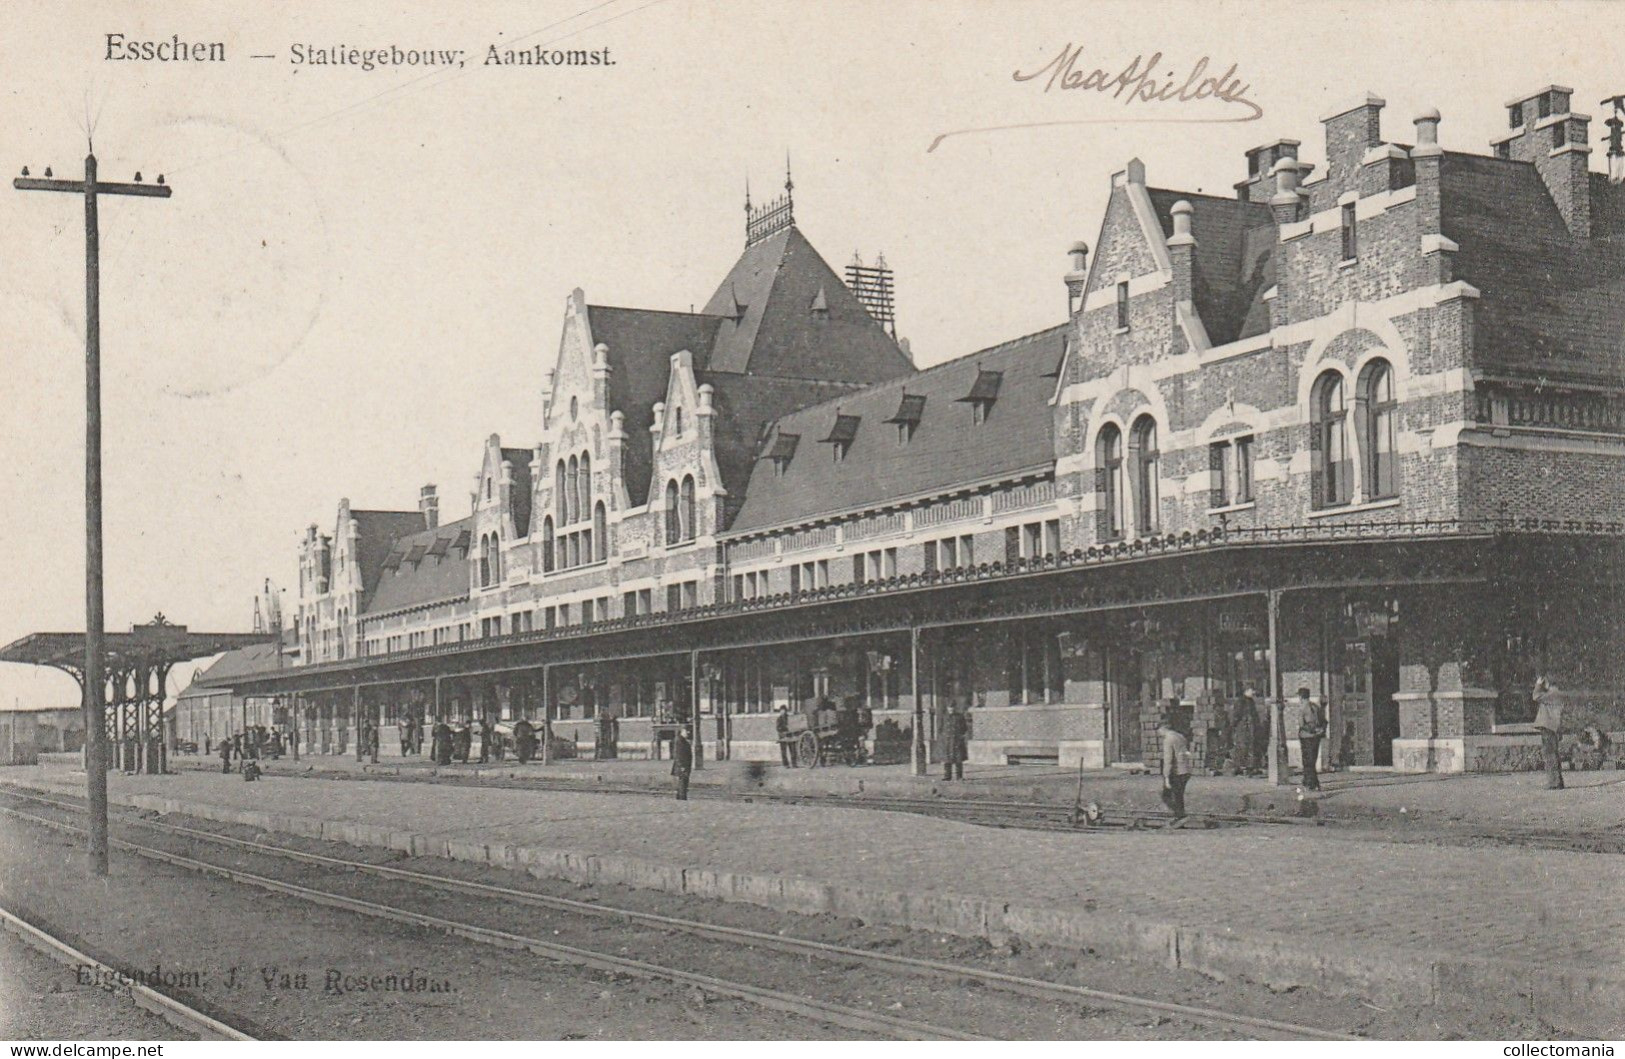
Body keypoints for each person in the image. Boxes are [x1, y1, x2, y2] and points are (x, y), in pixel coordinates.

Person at [1158, 705, 1194, 821]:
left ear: (1163, 729)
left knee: (1167, 795)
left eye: (1159, 731)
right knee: (1179, 795)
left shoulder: (1168, 740)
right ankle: (1180, 815)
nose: (1159, 734)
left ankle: (1180, 815)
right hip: (1186, 770)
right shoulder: (1180, 736)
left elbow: (1168, 760)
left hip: (1177, 771)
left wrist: (1166, 777)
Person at [1532, 676, 1564, 790]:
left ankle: (1553, 782)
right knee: (1552, 754)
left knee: (1549, 754)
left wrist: (1538, 684)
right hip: (1552, 727)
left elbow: (1535, 696)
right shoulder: (1556, 693)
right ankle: (1557, 781)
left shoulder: (1552, 693)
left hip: (1548, 727)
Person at [1296, 687, 1326, 791]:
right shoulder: (1316, 707)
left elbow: (1301, 724)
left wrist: (1310, 730)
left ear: (1300, 697)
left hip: (1306, 737)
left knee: (1307, 761)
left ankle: (1310, 783)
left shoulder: (1302, 708)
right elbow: (1323, 720)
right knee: (1313, 759)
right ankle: (1312, 782)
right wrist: (1319, 730)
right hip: (1316, 737)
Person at [1229, 692, 1257, 775]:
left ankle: (1247, 767)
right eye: (1252, 690)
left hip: (1248, 728)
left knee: (1248, 746)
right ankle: (1240, 767)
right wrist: (1234, 725)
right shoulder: (1241, 701)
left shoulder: (1250, 701)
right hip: (1242, 728)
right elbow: (1236, 715)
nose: (1253, 692)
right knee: (1242, 746)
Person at [942, 706, 969, 781]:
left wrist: (960, 736)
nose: (951, 709)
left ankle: (959, 776)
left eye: (952, 708)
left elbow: (964, 728)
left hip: (957, 741)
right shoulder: (945, 717)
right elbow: (941, 728)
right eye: (949, 708)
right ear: (947, 708)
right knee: (947, 760)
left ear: (955, 708)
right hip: (948, 741)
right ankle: (947, 776)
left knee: (958, 759)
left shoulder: (959, 716)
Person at [671, 730, 693, 801]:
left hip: (684, 765)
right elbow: (678, 755)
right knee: (683, 781)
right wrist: (682, 766)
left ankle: (681, 796)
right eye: (686, 732)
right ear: (682, 732)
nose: (688, 733)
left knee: (683, 781)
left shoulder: (683, 741)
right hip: (682, 766)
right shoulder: (680, 741)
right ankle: (682, 797)